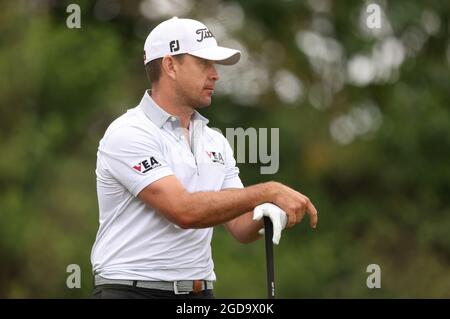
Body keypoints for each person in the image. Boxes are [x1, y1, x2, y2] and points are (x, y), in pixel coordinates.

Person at [91, 17, 318, 299]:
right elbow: (184, 211)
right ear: (170, 65)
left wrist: (265, 213)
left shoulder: (215, 141)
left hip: (199, 294)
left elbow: (240, 227)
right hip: (132, 291)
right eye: (204, 63)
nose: (215, 75)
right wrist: (266, 191)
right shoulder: (129, 133)